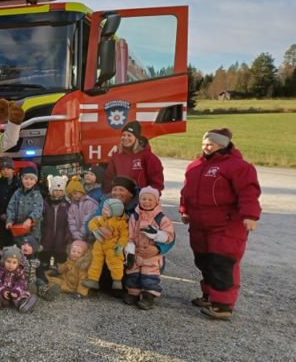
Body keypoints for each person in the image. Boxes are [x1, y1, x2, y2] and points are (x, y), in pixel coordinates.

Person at [180, 128, 261, 320]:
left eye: (210, 144)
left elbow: (248, 192)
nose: (206, 147)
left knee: (222, 261)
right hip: (200, 224)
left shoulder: (238, 166)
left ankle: (223, 305)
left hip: (225, 224)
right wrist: (185, 211)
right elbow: (187, 192)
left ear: (222, 145)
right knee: (203, 260)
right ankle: (209, 295)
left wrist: (249, 215)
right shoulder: (195, 166)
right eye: (204, 144)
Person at [124, 186, 175, 310]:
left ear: (156, 201)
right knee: (133, 274)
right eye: (144, 199)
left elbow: (169, 236)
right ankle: (133, 293)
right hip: (136, 251)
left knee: (149, 276)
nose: (146, 202)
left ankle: (149, 296)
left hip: (152, 254)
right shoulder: (134, 217)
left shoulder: (161, 218)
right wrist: (129, 249)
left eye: (150, 199)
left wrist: (157, 235)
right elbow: (129, 234)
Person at [103, 121, 164, 194]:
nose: (125, 138)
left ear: (136, 138)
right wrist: (109, 193)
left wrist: (150, 195)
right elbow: (109, 177)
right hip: (120, 196)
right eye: (123, 135)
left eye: (129, 135)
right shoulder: (116, 156)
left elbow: (156, 180)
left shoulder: (147, 156)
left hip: (140, 197)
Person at [83, 198, 128, 291]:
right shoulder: (100, 218)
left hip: (113, 246)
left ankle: (117, 280)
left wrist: (120, 245)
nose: (103, 211)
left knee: (115, 263)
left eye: (106, 209)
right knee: (95, 262)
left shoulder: (121, 223)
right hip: (99, 244)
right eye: (103, 208)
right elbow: (91, 223)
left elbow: (124, 235)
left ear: (115, 211)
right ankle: (93, 279)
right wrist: (97, 229)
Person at [0, 246, 37, 313]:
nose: (11, 265)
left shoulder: (20, 271)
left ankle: (24, 303)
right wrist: (3, 290)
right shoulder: (0, 269)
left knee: (22, 293)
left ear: (18, 263)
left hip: (13, 291)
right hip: (2, 291)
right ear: (3, 261)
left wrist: (16, 291)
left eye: (14, 262)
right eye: (8, 261)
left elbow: (21, 282)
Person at [5, 165, 44, 242]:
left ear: (35, 181)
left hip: (33, 230)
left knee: (30, 250)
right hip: (18, 229)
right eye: (26, 178)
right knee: (19, 250)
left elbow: (38, 209)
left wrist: (30, 219)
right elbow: (11, 207)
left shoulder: (37, 195)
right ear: (22, 179)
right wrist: (10, 220)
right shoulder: (17, 193)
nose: (28, 181)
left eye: (31, 179)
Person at [41, 175, 72, 267]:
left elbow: (69, 221)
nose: (58, 193)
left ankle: (58, 271)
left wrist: (68, 234)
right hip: (47, 236)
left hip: (61, 237)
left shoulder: (67, 205)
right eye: (55, 190)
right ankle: (45, 269)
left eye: (60, 191)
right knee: (44, 257)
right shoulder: (45, 203)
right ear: (51, 190)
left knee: (60, 260)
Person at [0, 157, 21, 249]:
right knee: (2, 246)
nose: (6, 171)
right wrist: (1, 213)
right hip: (1, 220)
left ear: (13, 170)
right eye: (3, 169)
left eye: (8, 168)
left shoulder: (20, 184)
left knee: (14, 247)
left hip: (16, 220)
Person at [67, 176, 98, 241]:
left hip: (90, 235)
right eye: (71, 195)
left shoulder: (89, 203)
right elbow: (71, 221)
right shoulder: (72, 206)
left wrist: (82, 233)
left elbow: (88, 219)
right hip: (77, 236)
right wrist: (75, 233)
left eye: (75, 193)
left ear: (81, 191)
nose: (74, 196)